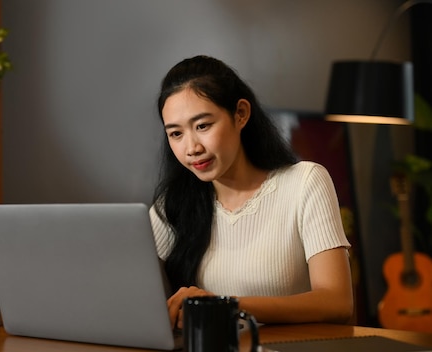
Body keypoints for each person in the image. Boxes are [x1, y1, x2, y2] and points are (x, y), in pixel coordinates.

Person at [150, 55, 353, 328]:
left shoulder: (305, 182)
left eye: (203, 126)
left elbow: (337, 302)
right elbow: (131, 290)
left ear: (241, 114)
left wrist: (226, 307)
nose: (191, 147)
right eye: (176, 134)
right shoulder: (172, 206)